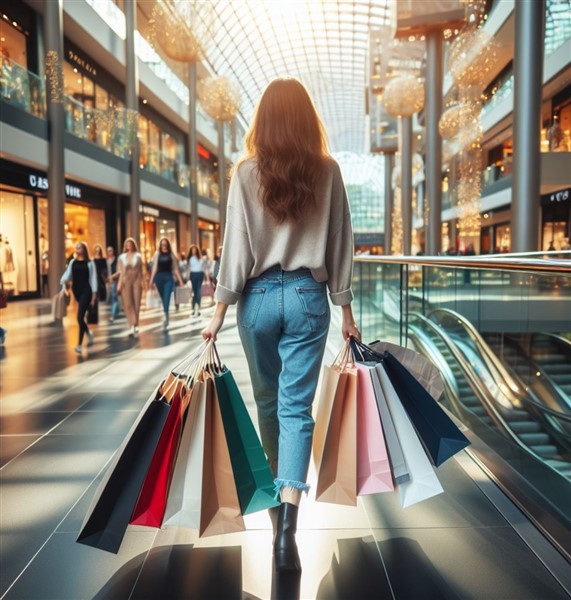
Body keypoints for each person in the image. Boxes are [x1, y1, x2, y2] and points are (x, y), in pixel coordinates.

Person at [202, 78, 360, 573]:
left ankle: (275, 512)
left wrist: (219, 310)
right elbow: (340, 242)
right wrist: (347, 311)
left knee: (267, 404)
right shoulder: (328, 171)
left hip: (258, 299)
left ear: (263, 119)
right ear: (307, 119)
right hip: (310, 298)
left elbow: (235, 247)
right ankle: (288, 525)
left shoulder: (245, 173)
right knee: (297, 409)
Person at [60, 241, 98, 354]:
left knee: (80, 317)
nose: (77, 249)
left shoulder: (90, 263)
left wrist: (94, 295)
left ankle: (79, 345)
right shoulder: (72, 262)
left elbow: (93, 278)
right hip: (76, 291)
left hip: (87, 291)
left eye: (79, 247)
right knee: (81, 318)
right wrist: (62, 282)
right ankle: (89, 333)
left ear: (84, 249)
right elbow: (67, 274)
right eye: (76, 247)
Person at [148, 237, 184, 329]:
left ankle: (165, 316)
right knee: (163, 297)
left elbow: (175, 269)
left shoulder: (171, 255)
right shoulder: (157, 254)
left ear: (167, 245)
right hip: (158, 278)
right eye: (162, 244)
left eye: (165, 244)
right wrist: (151, 281)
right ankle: (166, 313)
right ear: (160, 245)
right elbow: (154, 268)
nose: (164, 245)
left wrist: (180, 281)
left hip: (168, 278)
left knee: (167, 297)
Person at [117, 237, 144, 337]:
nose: (129, 246)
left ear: (133, 245)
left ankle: (136, 324)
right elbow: (120, 272)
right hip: (126, 280)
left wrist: (143, 283)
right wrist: (119, 284)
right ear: (125, 246)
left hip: (136, 279)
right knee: (128, 303)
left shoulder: (138, 256)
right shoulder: (122, 257)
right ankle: (133, 324)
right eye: (127, 244)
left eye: (131, 244)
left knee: (136, 302)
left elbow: (142, 271)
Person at [188, 244, 208, 317]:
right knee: (194, 291)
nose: (193, 251)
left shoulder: (201, 258)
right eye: (192, 250)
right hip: (193, 275)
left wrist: (207, 278)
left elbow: (205, 268)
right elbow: (188, 269)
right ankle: (194, 308)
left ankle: (198, 308)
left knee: (198, 291)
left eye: (195, 250)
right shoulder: (189, 258)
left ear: (197, 250)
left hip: (200, 274)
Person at [106, 246, 120, 323]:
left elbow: (119, 270)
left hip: (116, 280)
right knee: (111, 298)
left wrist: (113, 277)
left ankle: (112, 315)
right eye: (108, 251)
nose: (110, 252)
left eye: (111, 250)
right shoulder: (106, 261)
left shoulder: (117, 260)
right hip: (109, 282)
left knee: (114, 297)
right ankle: (116, 310)